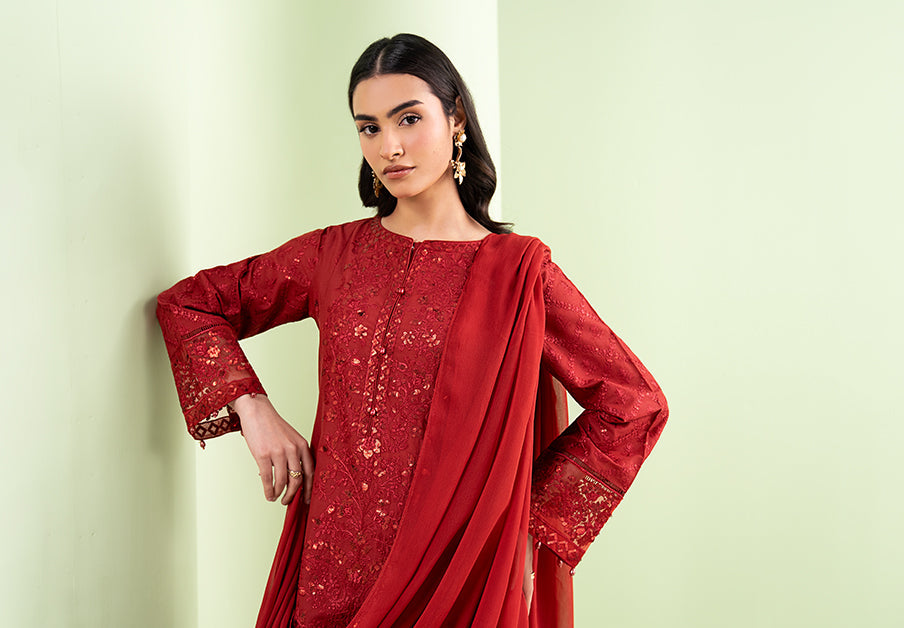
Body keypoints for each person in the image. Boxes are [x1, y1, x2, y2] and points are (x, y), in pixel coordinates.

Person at [156, 33, 669, 628]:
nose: (390, 146)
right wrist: (254, 410)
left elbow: (634, 404)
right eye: (368, 127)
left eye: (408, 119)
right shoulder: (334, 255)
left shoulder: (518, 273)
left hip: (459, 576)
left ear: (456, 121)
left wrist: (529, 530)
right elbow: (190, 304)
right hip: (330, 571)